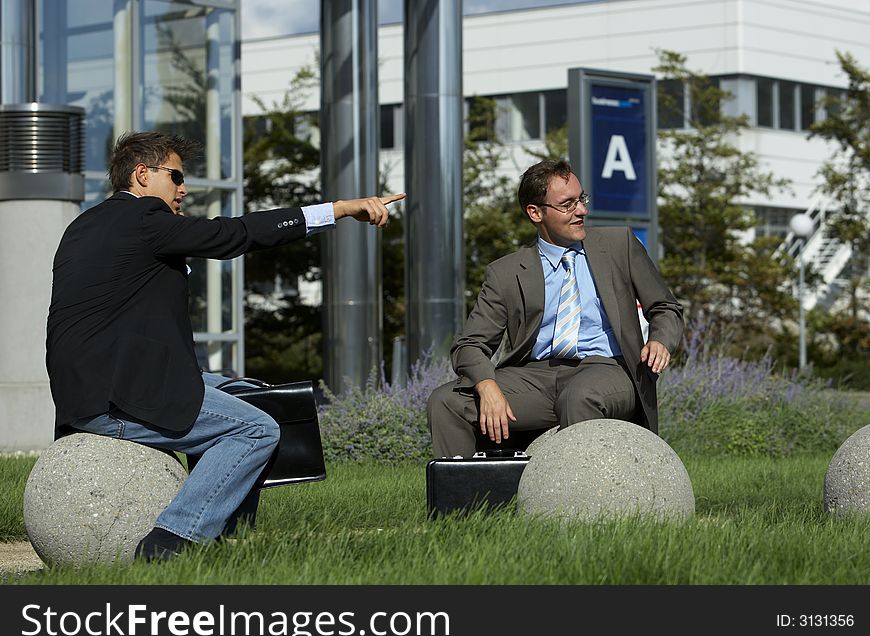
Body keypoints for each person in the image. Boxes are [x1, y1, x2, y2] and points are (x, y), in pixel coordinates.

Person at [46, 131, 404, 560]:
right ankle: (174, 543)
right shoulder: (145, 220)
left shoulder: (84, 225)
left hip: (93, 391)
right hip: (117, 400)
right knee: (256, 429)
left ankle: (230, 539)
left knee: (250, 395)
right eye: (175, 176)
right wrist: (338, 210)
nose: (183, 188)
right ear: (142, 175)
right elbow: (236, 234)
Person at [428, 159, 683, 457]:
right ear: (535, 213)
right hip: (535, 378)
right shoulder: (506, 272)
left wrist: (660, 340)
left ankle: (581, 502)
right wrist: (486, 385)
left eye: (582, 199)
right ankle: (467, 503)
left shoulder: (619, 245)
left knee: (580, 396)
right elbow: (470, 343)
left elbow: (665, 307)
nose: (582, 211)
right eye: (568, 204)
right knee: (446, 401)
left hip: (608, 368)